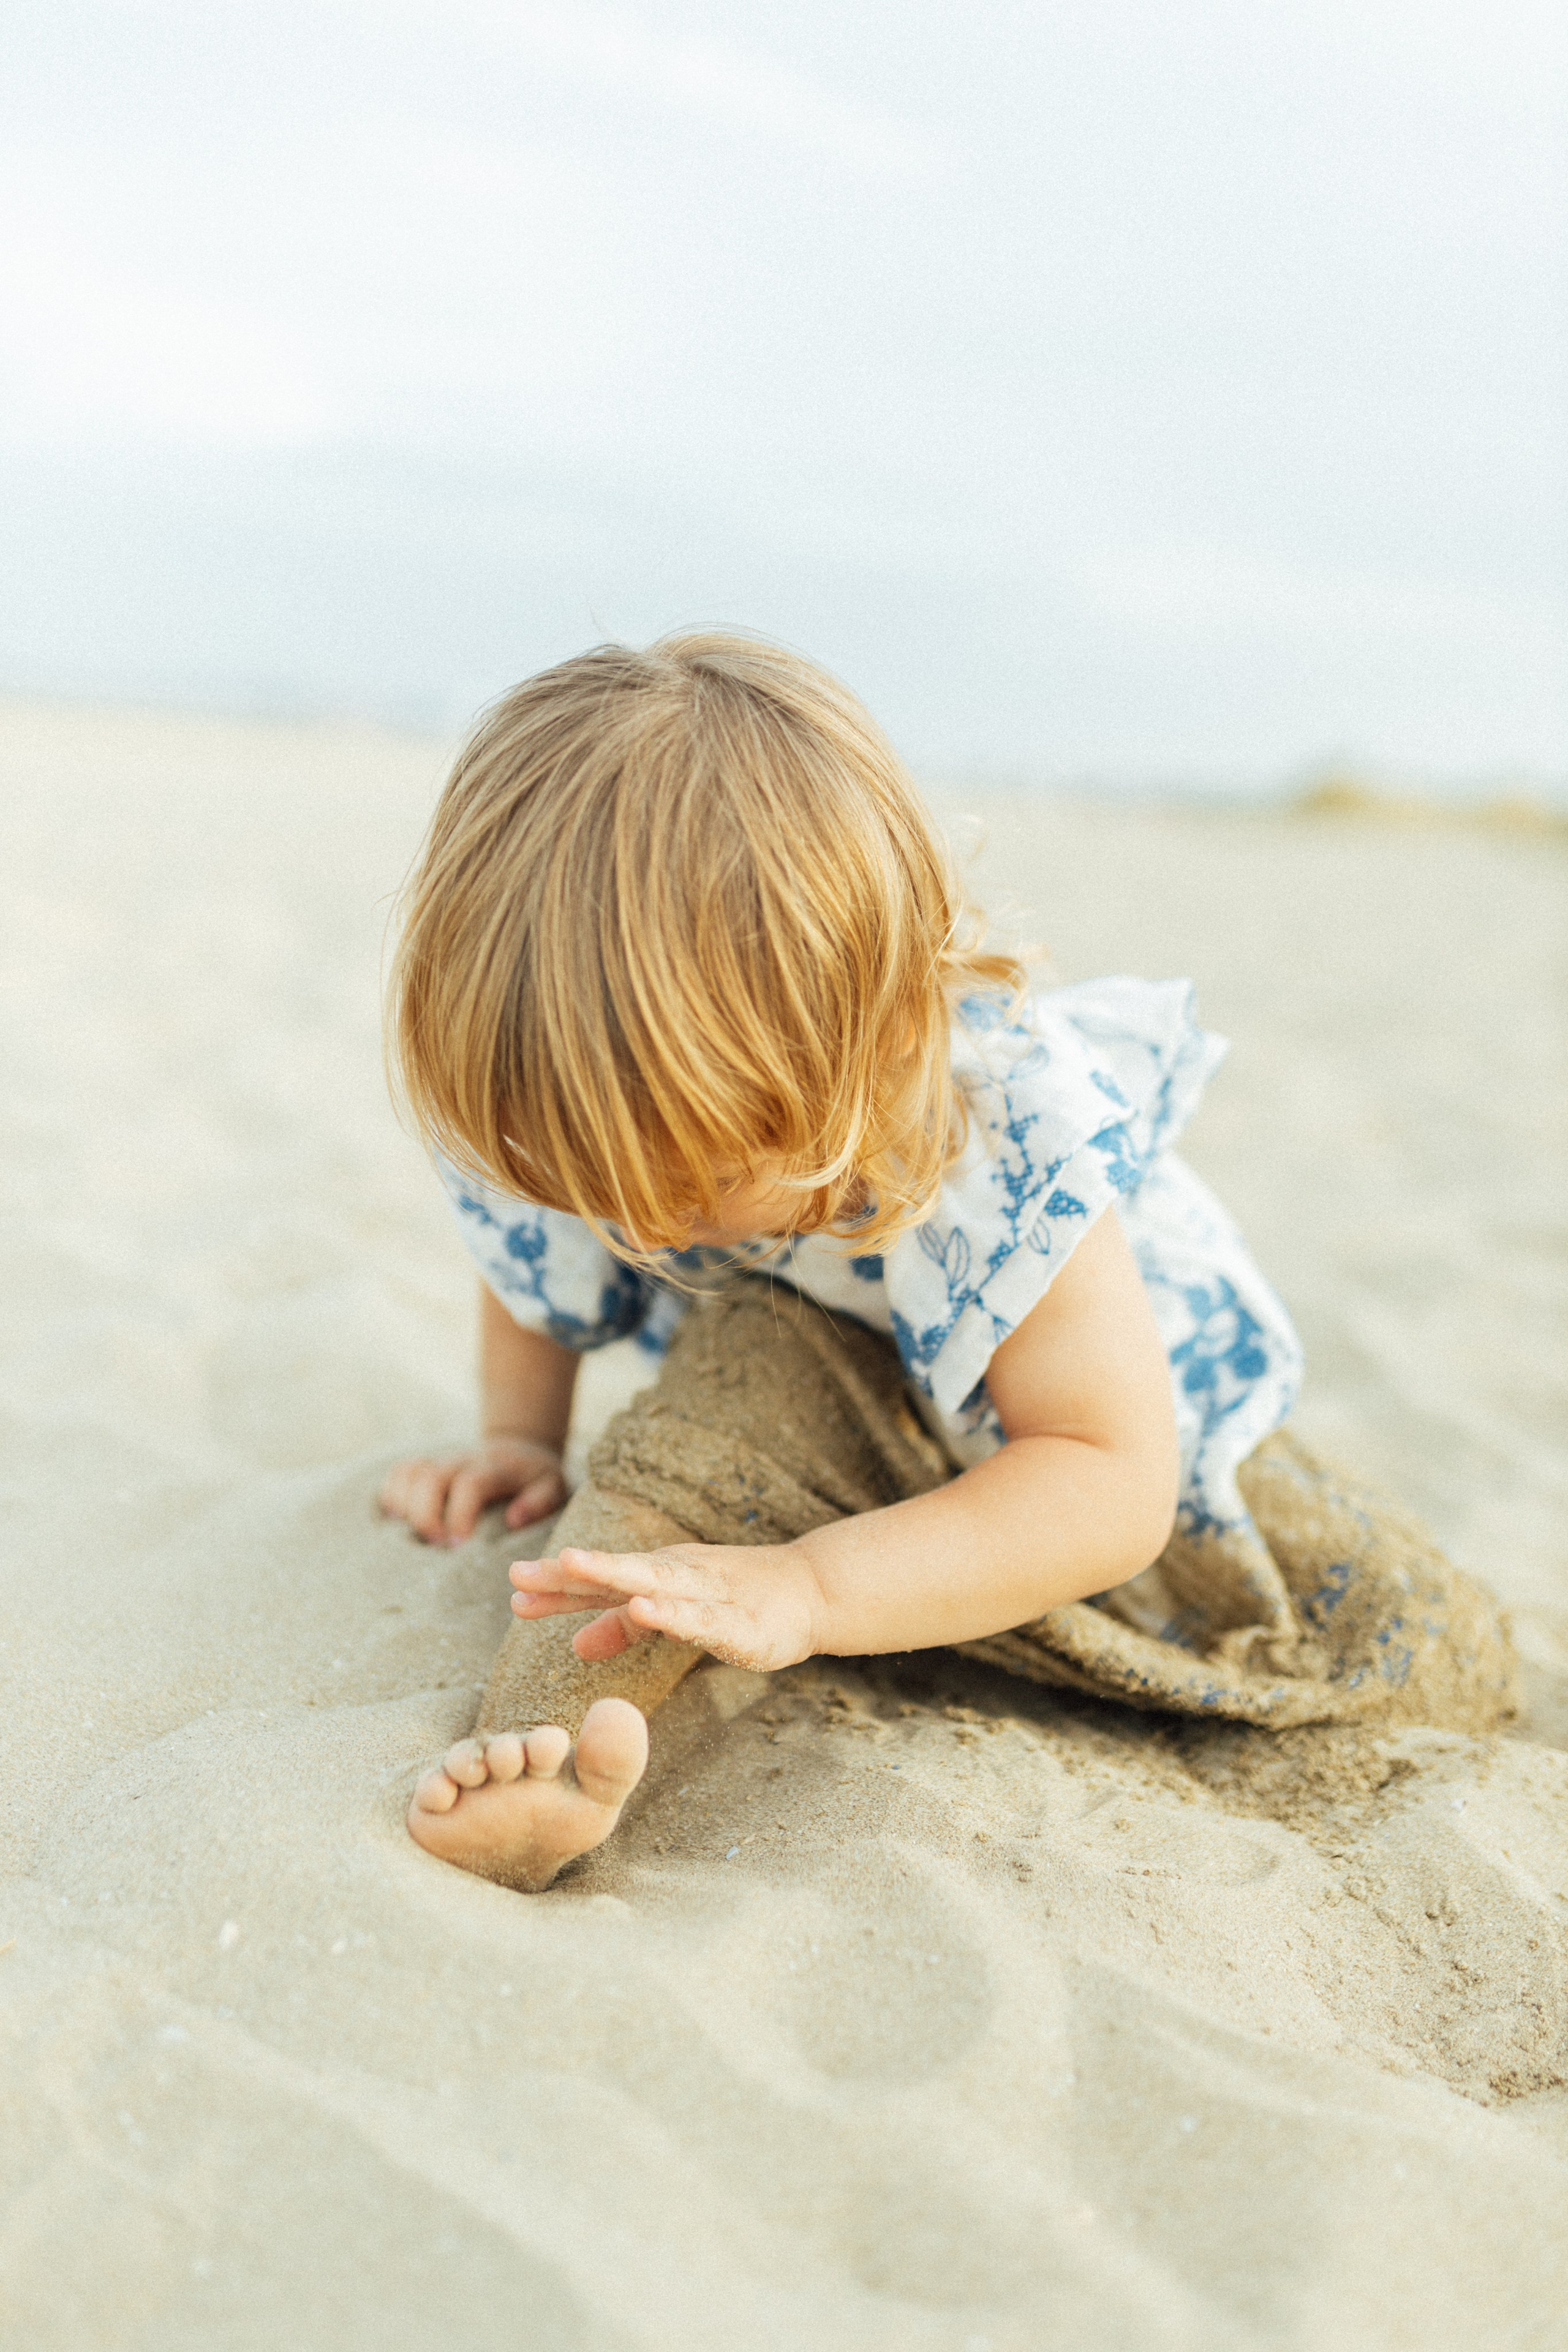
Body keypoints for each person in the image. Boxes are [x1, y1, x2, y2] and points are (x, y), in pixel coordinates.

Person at [378, 632, 1513, 1890]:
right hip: (797, 1384)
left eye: (687, 1179)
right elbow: (523, 1247)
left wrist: (808, 1588)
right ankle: (542, 1768)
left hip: (1080, 1444)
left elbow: (1110, 1479)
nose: (634, 1228)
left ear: (869, 1045)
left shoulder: (996, 1129)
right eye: (583, 1177)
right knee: (653, 1510)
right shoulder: (561, 1094)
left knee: (1402, 1644)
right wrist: (520, 1440)